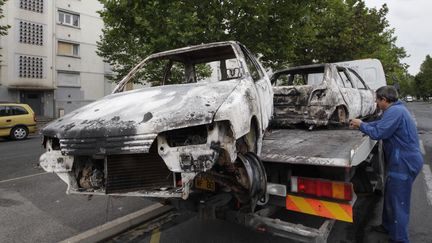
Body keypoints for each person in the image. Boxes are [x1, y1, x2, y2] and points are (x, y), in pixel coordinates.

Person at [350, 85, 423, 243]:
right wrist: (362, 123)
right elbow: (379, 125)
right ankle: (388, 226)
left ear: (384, 100)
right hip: (400, 160)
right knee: (390, 196)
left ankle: (400, 239)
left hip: (404, 161)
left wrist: (361, 125)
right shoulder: (394, 110)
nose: (376, 103)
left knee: (398, 202)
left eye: (377, 99)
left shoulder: (395, 112)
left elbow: (379, 132)